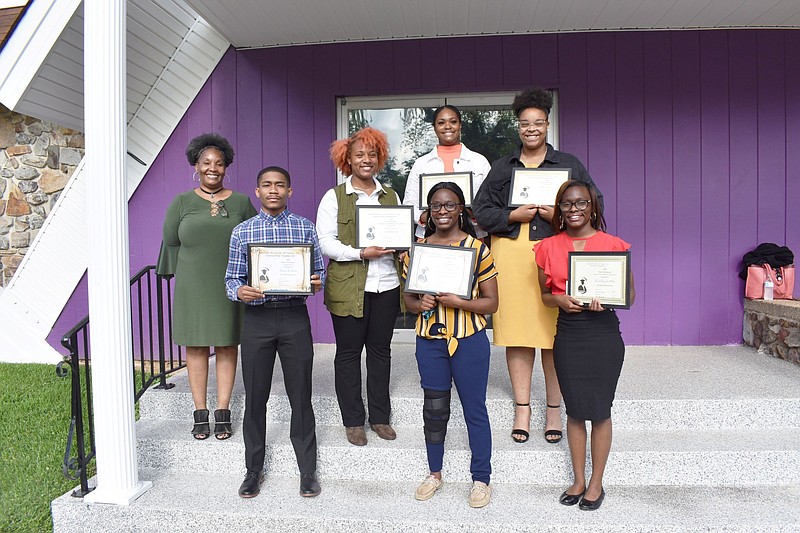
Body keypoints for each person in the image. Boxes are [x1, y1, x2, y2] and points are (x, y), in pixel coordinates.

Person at [472, 87, 603, 444]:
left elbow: (594, 202)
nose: (532, 129)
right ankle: (522, 409)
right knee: (517, 333)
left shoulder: (568, 164)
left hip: (555, 252)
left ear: (547, 124)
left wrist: (558, 214)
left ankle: (554, 410)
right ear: (518, 127)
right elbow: (480, 210)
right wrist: (511, 214)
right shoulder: (503, 167)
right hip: (511, 257)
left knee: (552, 336)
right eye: (525, 124)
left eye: (538, 123)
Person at [224, 166, 325, 499]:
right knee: (255, 398)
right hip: (257, 320)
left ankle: (307, 471)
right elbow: (231, 281)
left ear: (289, 191)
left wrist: (314, 283)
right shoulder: (242, 232)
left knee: (301, 396)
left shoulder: (305, 228)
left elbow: (318, 274)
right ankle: (253, 469)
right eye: (266, 185)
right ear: (257, 192)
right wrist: (241, 292)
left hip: (294, 317)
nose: (273, 190)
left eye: (280, 185)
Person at [534, 181, 634, 511]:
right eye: (566, 204)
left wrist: (607, 300)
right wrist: (559, 299)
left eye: (581, 203)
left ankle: (596, 483)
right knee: (575, 410)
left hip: (603, 335)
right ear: (559, 209)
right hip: (570, 335)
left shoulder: (615, 245)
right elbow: (545, 297)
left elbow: (629, 297)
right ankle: (578, 480)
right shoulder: (547, 247)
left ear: (592, 207)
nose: (574, 209)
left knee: (600, 411)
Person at [403, 182, 498, 508]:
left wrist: (460, 302)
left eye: (450, 205)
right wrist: (419, 303)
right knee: (435, 409)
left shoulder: (478, 248)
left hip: (469, 340)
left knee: (474, 409)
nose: (443, 211)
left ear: (461, 210)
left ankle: (481, 478)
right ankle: (434, 473)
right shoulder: (416, 250)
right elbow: (408, 299)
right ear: (429, 212)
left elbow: (491, 304)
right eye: (437, 206)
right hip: (429, 341)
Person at [157, 133, 257, 440]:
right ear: (196, 166)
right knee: (197, 346)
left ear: (226, 167)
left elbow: (256, 239)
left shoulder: (240, 202)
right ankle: (200, 412)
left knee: (227, 345)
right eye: (206, 163)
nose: (213, 168)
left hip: (229, 284)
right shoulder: (182, 202)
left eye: (219, 163)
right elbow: (171, 240)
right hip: (193, 286)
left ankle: (222, 411)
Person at [316, 127, 403, 446]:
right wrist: (359, 253)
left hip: (387, 285)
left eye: (372, 154)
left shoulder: (390, 196)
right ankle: (353, 421)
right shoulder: (334, 196)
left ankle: (380, 418)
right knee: (349, 354)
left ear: (380, 158)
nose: (366, 160)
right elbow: (325, 242)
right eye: (359, 155)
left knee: (381, 352)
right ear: (346, 160)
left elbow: (401, 234)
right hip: (348, 287)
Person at [403, 105, 491, 239]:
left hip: (473, 236)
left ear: (460, 125)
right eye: (441, 122)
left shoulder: (479, 161)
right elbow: (410, 205)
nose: (447, 126)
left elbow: (490, 201)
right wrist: (432, 215)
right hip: (429, 236)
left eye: (453, 121)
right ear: (434, 127)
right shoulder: (421, 164)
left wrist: (472, 214)